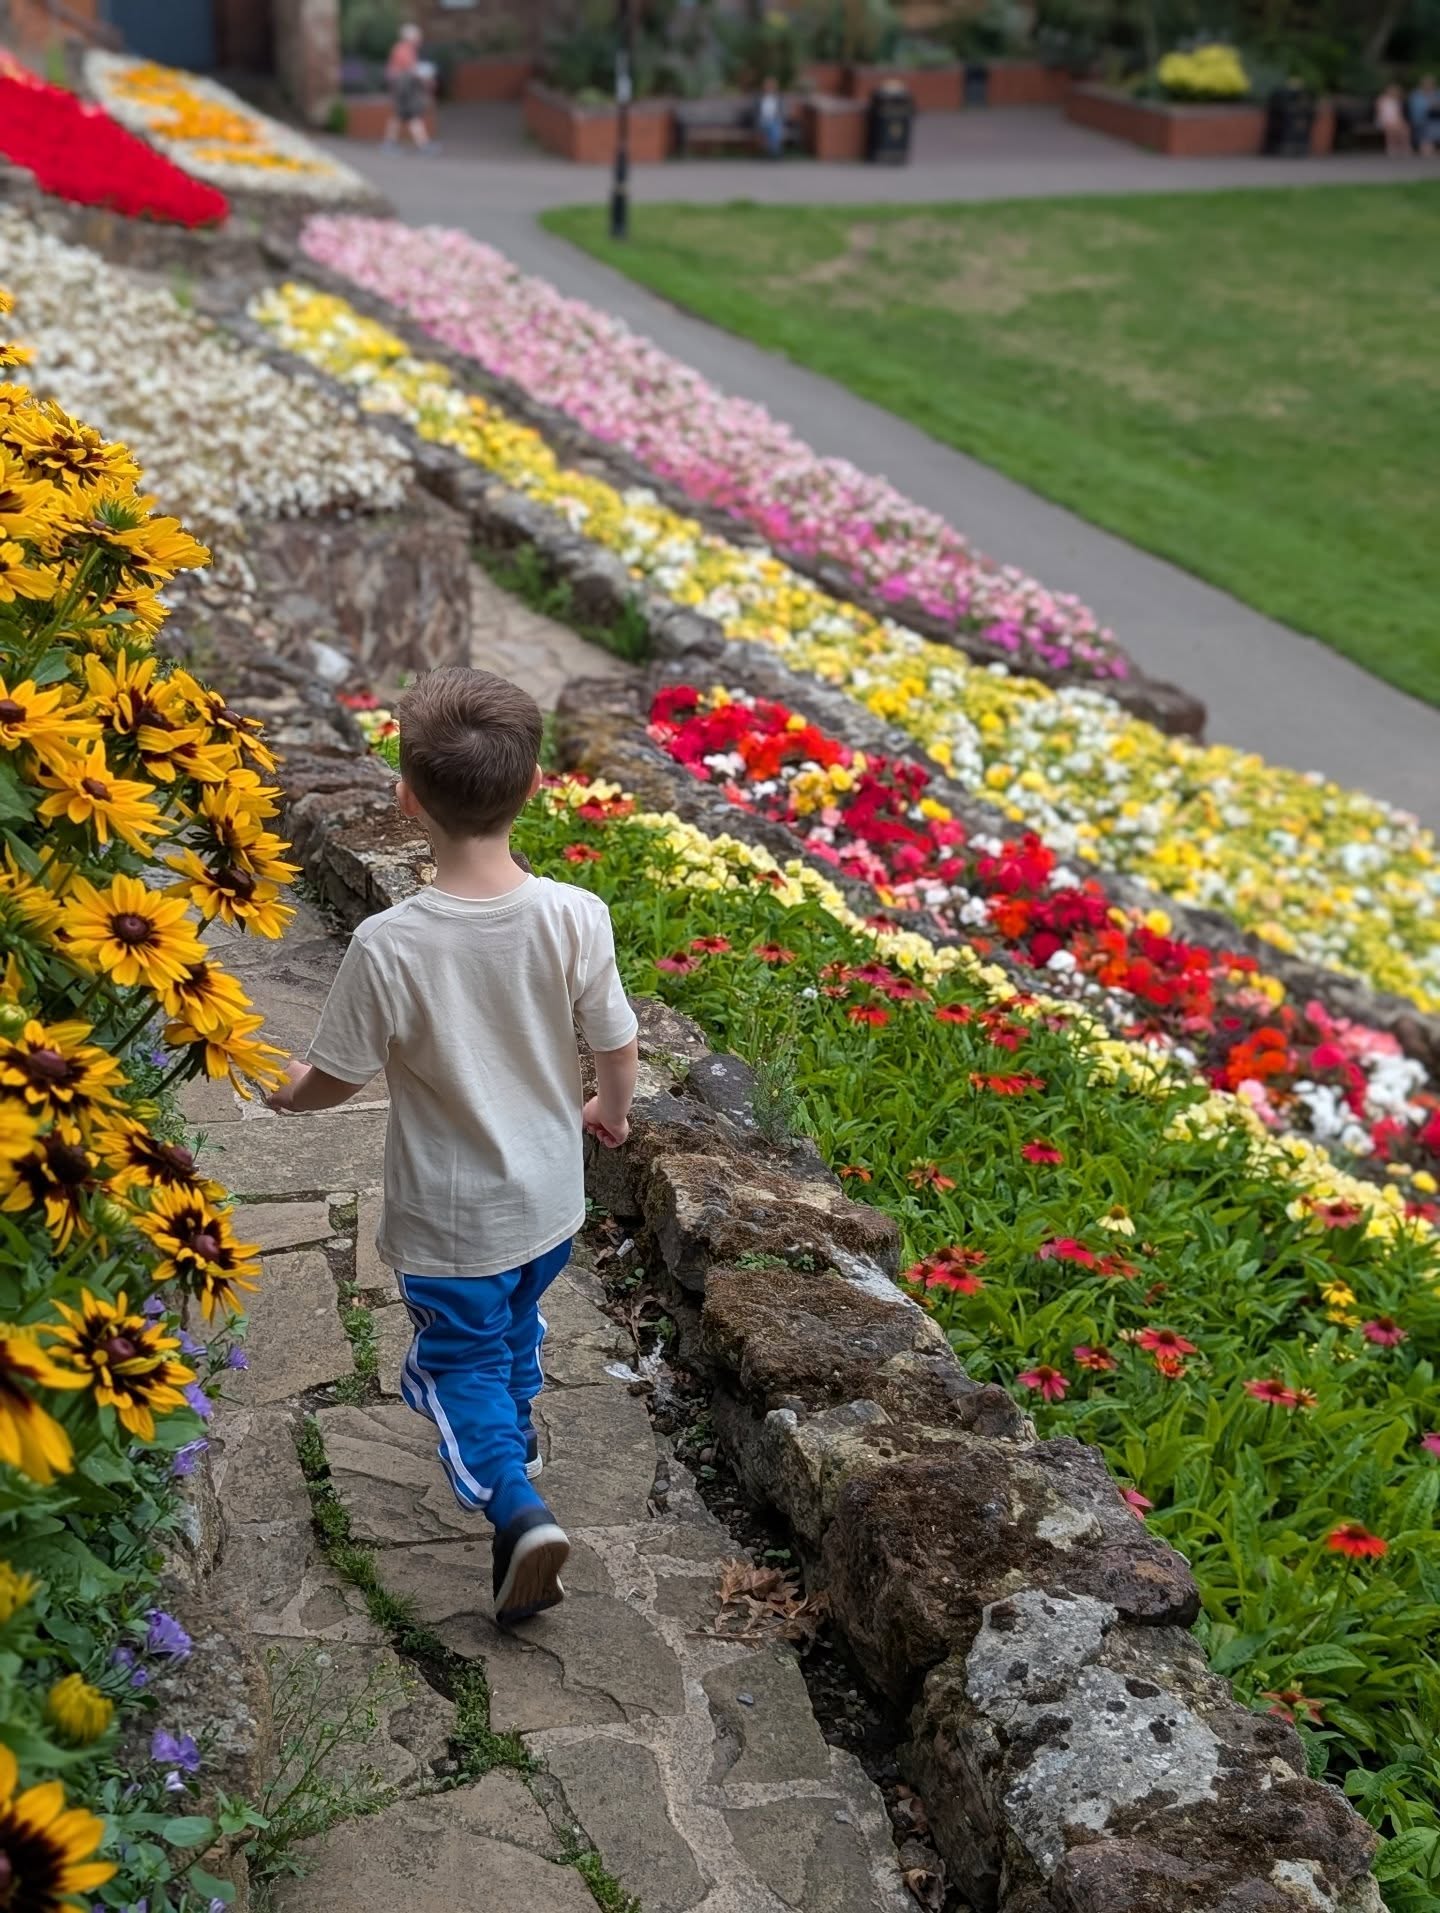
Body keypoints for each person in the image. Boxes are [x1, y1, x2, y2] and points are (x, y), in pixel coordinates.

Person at [267, 667, 639, 1627]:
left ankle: (515, 1509)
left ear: (405, 799)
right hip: (551, 1201)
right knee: (514, 1326)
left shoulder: (392, 945)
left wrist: (280, 1094)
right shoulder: (575, 914)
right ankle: (512, 1439)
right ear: (536, 787)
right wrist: (608, 1108)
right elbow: (615, 1037)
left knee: (448, 1364)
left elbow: (337, 1077)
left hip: (452, 1217)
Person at [384, 22, 431, 150]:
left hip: (403, 86)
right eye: (417, 37)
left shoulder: (405, 49)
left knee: (400, 115)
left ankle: (391, 143)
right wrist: (425, 76)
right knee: (412, 114)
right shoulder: (403, 49)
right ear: (410, 38)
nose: (419, 39)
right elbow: (411, 68)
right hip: (404, 86)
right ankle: (423, 144)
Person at [1377, 83, 1411, 156]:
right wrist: (1389, 121)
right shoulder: (1382, 100)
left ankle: (1404, 147)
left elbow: (1399, 114)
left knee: (1405, 129)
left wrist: (1401, 121)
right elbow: (1381, 114)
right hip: (1385, 120)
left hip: (1396, 120)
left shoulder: (1397, 101)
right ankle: (1392, 148)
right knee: (1392, 130)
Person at [1406, 74, 1437, 155]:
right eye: (1427, 83)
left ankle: (1429, 147)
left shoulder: (1437, 93)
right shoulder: (1416, 95)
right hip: (1421, 120)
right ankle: (1427, 147)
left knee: (1434, 126)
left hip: (1436, 119)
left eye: (1431, 84)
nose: (1429, 85)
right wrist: (1430, 106)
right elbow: (1415, 109)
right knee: (1427, 127)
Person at [755, 76, 785, 159]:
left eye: (771, 86)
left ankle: (772, 153)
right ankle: (775, 153)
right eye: (767, 85)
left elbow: (782, 113)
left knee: (774, 127)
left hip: (774, 121)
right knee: (773, 128)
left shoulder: (778, 98)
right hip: (762, 121)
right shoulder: (759, 98)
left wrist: (778, 119)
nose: (769, 87)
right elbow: (755, 113)